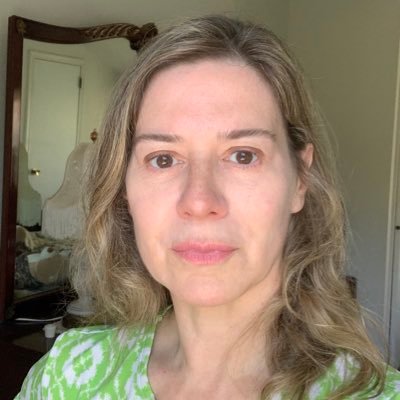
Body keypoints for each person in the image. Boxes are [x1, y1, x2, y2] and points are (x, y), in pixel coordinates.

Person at [16, 15, 400, 399]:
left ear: (300, 178)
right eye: (163, 159)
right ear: (124, 188)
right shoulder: (65, 377)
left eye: (243, 155)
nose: (199, 202)